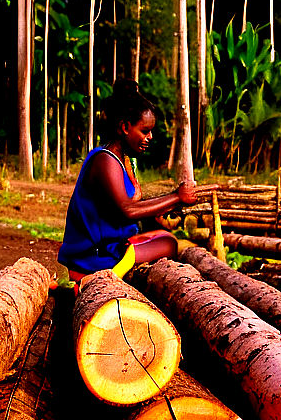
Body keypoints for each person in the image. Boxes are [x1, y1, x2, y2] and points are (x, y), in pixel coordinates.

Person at [58, 78, 200, 290]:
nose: (150, 137)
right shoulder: (104, 160)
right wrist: (176, 197)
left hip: (105, 249)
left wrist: (165, 206)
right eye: (145, 131)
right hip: (93, 257)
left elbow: (121, 207)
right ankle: (105, 279)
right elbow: (127, 210)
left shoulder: (118, 160)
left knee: (166, 239)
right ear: (124, 127)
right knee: (168, 243)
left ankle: (118, 270)